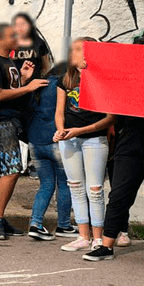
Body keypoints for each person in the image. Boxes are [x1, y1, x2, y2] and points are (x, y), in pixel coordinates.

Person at [84, 37, 144, 265]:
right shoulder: (124, 78)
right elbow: (101, 86)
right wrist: (87, 68)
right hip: (129, 140)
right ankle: (106, 246)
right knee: (119, 196)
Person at [0, 23, 48, 240]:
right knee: (13, 168)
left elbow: (9, 89)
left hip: (5, 120)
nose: (16, 37)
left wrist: (23, 78)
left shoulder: (9, 61)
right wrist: (28, 86)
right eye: (11, 35)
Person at [54, 38, 116, 251]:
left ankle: (98, 237)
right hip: (69, 140)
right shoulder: (67, 79)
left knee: (95, 189)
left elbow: (110, 118)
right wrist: (60, 130)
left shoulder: (103, 79)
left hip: (94, 140)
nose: (74, 53)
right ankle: (83, 236)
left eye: (80, 49)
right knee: (76, 187)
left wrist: (80, 131)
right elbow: (59, 111)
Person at [25, 62, 76, 241]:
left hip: (35, 142)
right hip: (56, 139)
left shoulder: (39, 84)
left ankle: (36, 223)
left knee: (45, 184)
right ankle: (64, 225)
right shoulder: (64, 86)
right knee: (64, 184)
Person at [11, 13, 53, 174]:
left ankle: (33, 162)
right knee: (19, 123)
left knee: (33, 122)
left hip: (36, 89)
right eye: (17, 24)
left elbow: (45, 65)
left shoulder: (38, 43)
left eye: (23, 24)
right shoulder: (13, 44)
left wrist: (42, 83)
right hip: (18, 88)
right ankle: (21, 162)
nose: (20, 28)